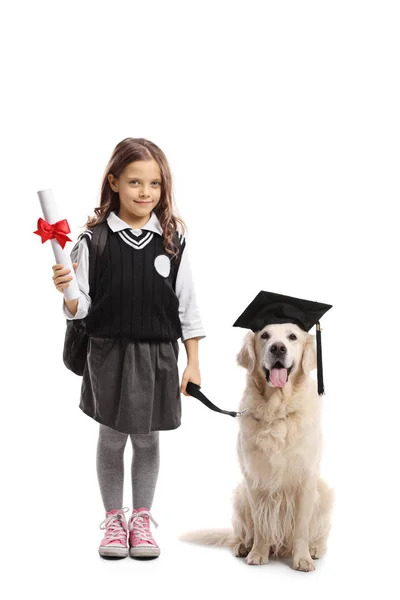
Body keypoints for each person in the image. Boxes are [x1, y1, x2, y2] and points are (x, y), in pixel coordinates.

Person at [52, 137, 205, 560]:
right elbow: (80, 306)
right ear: (114, 182)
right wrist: (67, 292)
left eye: (154, 184)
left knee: (148, 439)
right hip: (109, 353)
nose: (145, 193)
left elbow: (188, 307)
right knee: (113, 436)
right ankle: (114, 521)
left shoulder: (172, 241)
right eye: (135, 182)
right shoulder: (92, 241)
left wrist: (192, 363)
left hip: (157, 355)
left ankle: (142, 517)